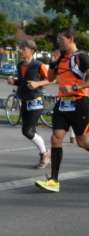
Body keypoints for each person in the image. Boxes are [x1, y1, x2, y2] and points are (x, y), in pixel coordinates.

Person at [35, 26, 89, 193]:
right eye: (57, 39)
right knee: (56, 138)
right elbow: (51, 78)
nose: (58, 42)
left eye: (61, 39)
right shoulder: (60, 57)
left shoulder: (80, 57)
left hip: (79, 103)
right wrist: (52, 62)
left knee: (82, 142)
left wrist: (75, 87)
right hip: (62, 103)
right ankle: (54, 181)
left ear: (71, 39)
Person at [7, 39, 55, 169]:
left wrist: (38, 83)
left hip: (36, 101)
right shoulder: (19, 65)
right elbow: (23, 82)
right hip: (24, 100)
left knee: (26, 131)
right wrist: (14, 82)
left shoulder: (39, 65)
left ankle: (45, 153)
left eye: (23, 49)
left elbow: (52, 80)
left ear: (32, 51)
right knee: (31, 130)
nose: (20, 51)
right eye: (19, 48)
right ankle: (45, 153)